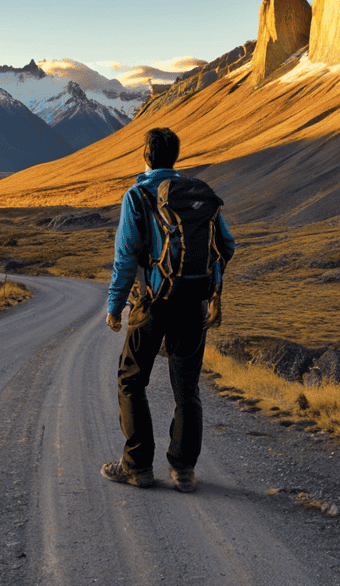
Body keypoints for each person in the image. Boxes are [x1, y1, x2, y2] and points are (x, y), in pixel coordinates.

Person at [101, 127, 235, 492]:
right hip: (193, 303)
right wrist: (212, 291)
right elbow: (226, 245)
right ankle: (184, 470)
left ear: (146, 154)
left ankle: (138, 466)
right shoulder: (198, 194)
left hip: (152, 302)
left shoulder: (137, 195)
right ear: (175, 156)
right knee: (187, 388)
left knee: (132, 379)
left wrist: (115, 306)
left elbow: (126, 256)